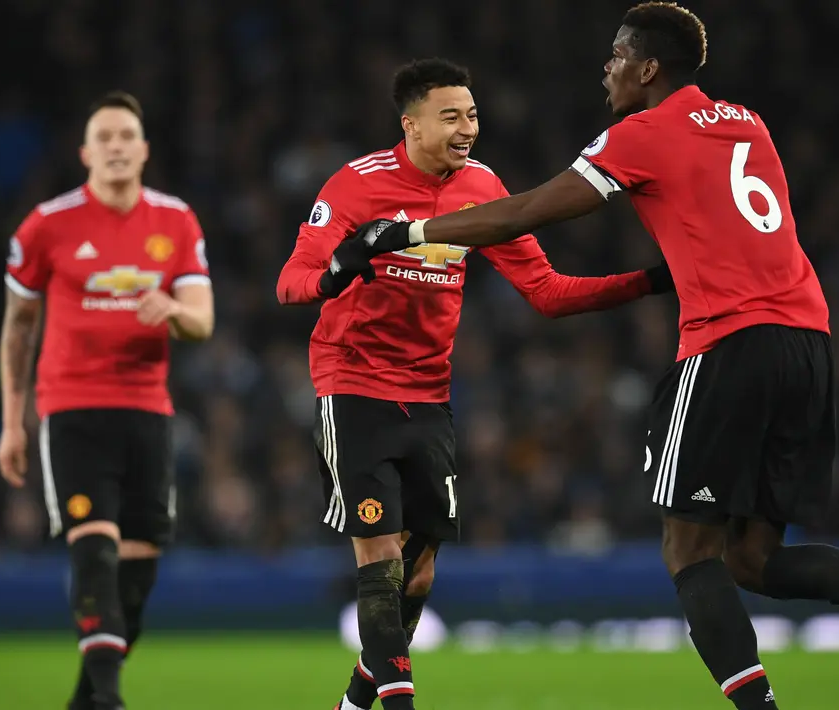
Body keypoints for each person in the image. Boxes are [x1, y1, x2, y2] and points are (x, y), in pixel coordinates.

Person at [341, 5, 839, 708]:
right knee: (753, 559)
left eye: (617, 55)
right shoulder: (748, 121)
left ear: (647, 67)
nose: (606, 68)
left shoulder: (643, 133)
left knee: (688, 554)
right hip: (808, 343)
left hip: (729, 344)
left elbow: (525, 211)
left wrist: (406, 231)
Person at [277, 58, 671, 710]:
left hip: (430, 395)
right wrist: (332, 276)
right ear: (411, 124)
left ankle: (351, 706)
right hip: (352, 385)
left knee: (420, 571)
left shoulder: (482, 186)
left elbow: (547, 293)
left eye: (473, 115)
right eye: (451, 116)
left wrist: (652, 280)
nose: (467, 128)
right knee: (380, 562)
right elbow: (290, 280)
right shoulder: (354, 185)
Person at [0, 91, 214, 710]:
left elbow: (203, 320)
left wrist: (173, 309)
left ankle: (83, 703)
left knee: (137, 576)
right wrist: (13, 423)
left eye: (127, 136)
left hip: (148, 411)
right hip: (73, 409)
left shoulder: (176, 222)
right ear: (85, 152)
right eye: (105, 137)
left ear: (144, 150)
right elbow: (17, 328)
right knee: (94, 552)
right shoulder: (47, 225)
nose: (117, 146)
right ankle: (111, 702)